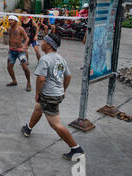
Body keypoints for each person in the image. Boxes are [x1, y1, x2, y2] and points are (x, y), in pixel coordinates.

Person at [21, 33, 85, 161]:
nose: (41, 43)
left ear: (49, 45)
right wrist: (63, 90)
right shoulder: (61, 59)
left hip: (49, 96)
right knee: (39, 108)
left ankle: (76, 149)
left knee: (56, 125)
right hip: (57, 94)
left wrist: (37, 93)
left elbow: (41, 79)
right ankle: (28, 128)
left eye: (43, 41)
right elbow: (68, 76)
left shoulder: (45, 59)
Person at [7, 15, 31, 92]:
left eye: (11, 20)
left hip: (20, 51)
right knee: (9, 67)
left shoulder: (20, 29)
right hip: (12, 51)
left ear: (15, 21)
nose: (10, 21)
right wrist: (9, 48)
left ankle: (28, 83)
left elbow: (27, 38)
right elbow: (11, 39)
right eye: (9, 20)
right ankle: (14, 81)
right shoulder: (10, 29)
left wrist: (24, 46)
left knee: (25, 67)